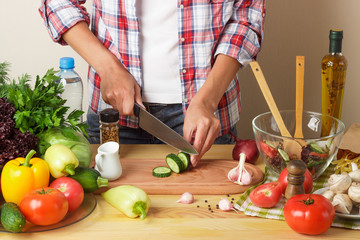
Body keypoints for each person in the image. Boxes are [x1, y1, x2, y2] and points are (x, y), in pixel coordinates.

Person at [39, 0, 265, 167]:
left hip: (204, 118)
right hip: (113, 117)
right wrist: (108, 68)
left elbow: (246, 19)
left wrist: (206, 101)